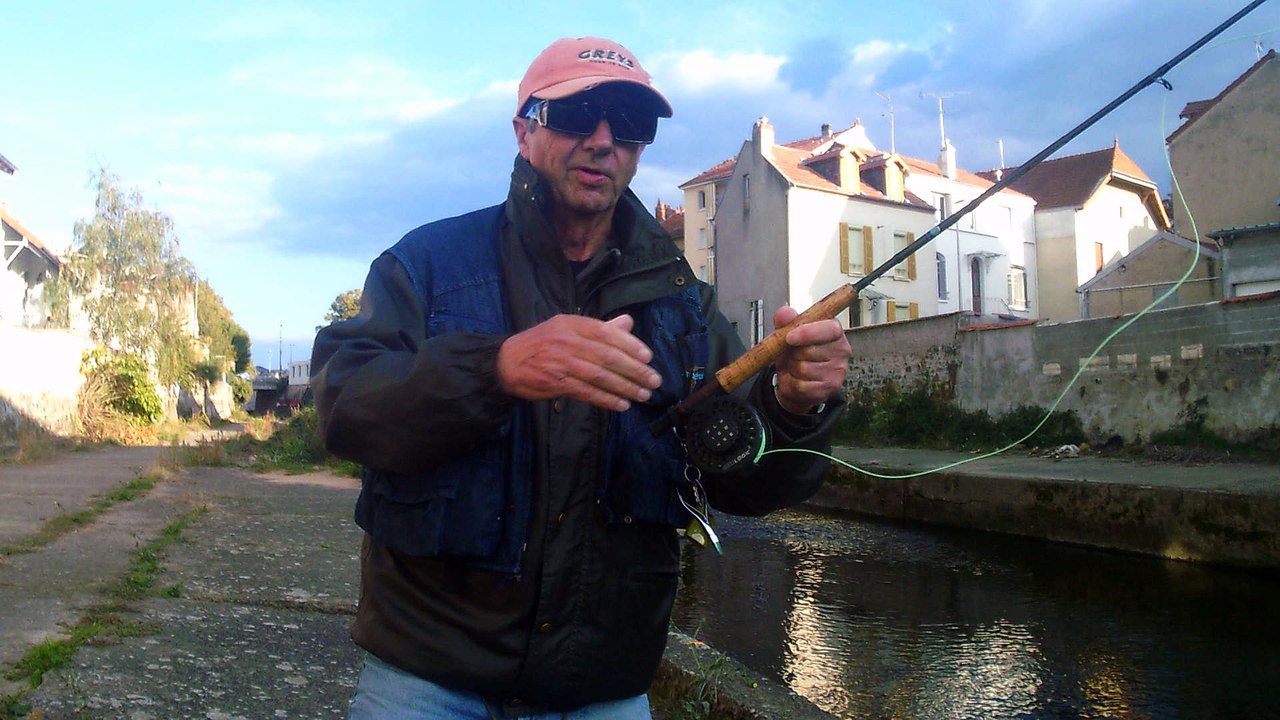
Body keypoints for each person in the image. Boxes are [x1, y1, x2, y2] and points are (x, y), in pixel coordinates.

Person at [311, 36, 853, 719]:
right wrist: (496, 369)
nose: (604, 140)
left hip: (602, 692)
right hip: (427, 680)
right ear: (523, 130)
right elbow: (343, 405)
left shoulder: (685, 304)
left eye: (631, 124)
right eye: (577, 114)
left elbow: (746, 486)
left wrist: (795, 406)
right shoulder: (425, 263)